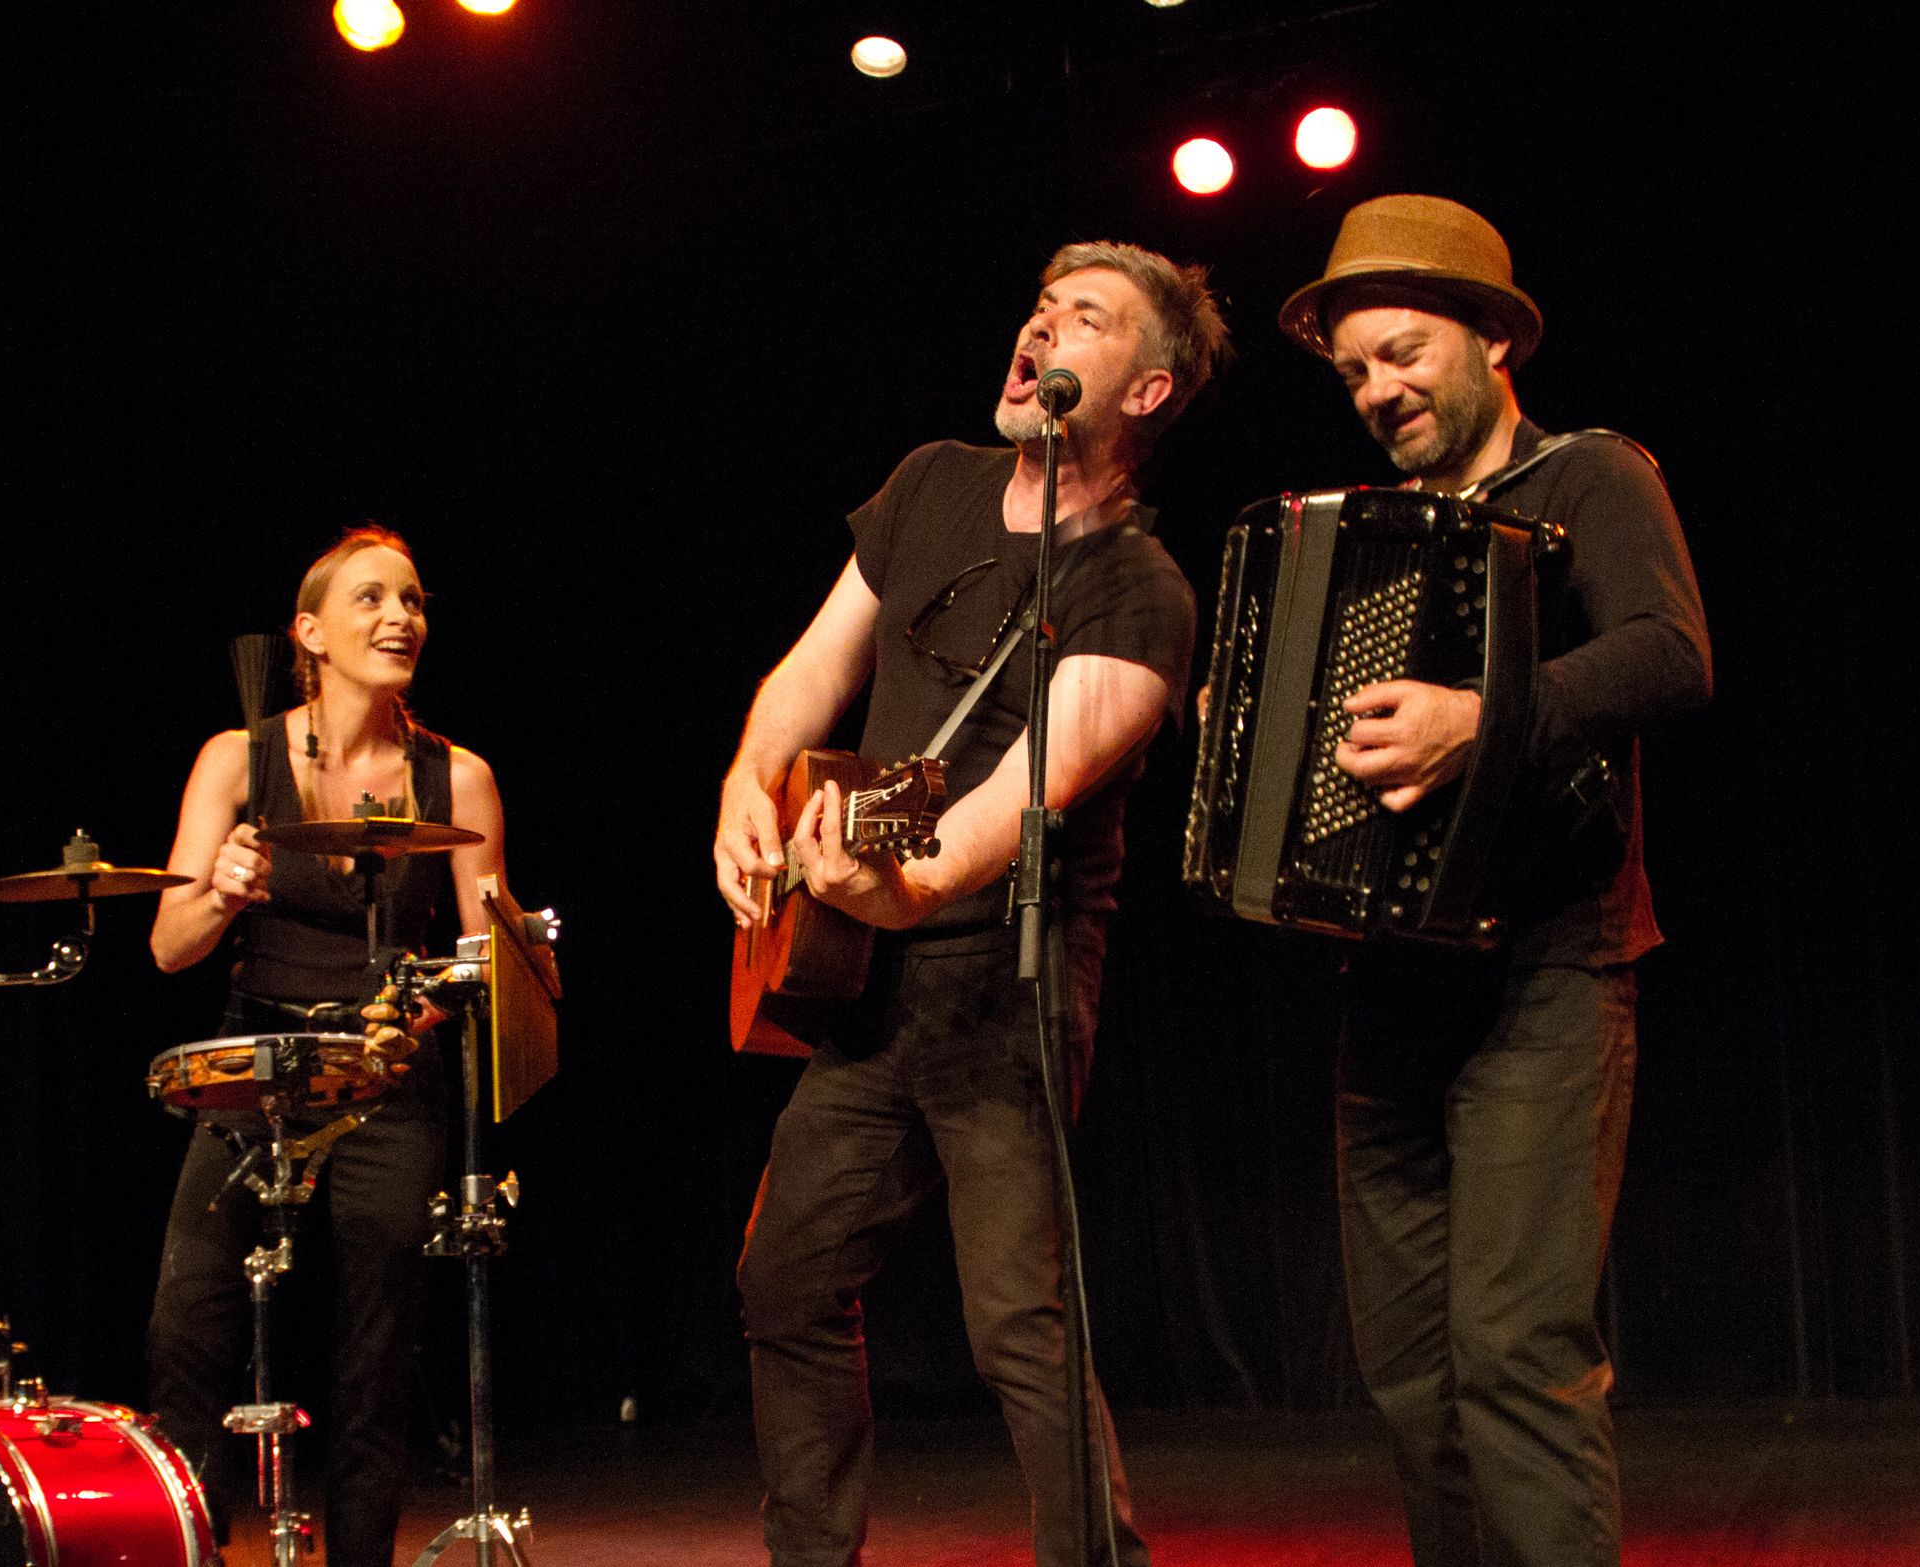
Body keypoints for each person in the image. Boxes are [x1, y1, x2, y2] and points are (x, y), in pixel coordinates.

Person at [714, 241, 1226, 1567]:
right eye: (1043, 304)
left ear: (1147, 389)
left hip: (1007, 983)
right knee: (785, 1277)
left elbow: (1008, 810)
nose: (1041, 325)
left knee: (1017, 1321)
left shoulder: (1141, 593)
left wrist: (902, 880)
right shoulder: (931, 483)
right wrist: (745, 783)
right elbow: (809, 671)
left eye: (1087, 318)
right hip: (861, 976)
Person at [1273, 194, 1712, 1566]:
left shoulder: (1589, 478)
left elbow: (1670, 655)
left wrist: (1480, 718)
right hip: (1389, 991)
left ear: (1493, 340)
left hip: (1546, 970)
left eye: (1403, 352)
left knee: (1517, 1357)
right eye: (1355, 370)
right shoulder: (1367, 534)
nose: (1377, 389)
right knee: (1413, 1375)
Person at [146, 525, 514, 1567]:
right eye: (372, 598)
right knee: (186, 1329)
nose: (401, 616)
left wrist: (439, 1001)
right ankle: (195, 1548)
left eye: (413, 600)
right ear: (308, 632)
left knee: (373, 1360)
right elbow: (170, 946)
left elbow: (487, 963)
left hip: (388, 1075)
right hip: (253, 1064)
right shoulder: (237, 756)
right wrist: (221, 892)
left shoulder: (459, 778)